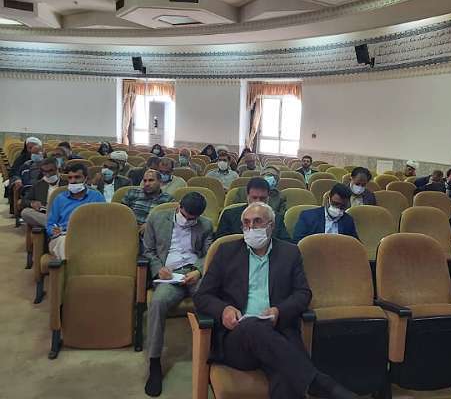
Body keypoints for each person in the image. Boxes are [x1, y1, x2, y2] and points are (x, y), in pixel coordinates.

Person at [193, 202, 357, 399]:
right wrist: (224, 310)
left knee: (286, 377)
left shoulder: (289, 253)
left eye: (257, 221)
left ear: (270, 225)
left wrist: (279, 310)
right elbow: (202, 296)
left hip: (279, 331)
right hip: (238, 338)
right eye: (246, 223)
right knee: (254, 326)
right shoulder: (226, 252)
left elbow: (303, 293)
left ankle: (316, 384)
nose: (251, 227)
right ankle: (321, 384)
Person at [143, 192, 213, 397]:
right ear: (178, 207)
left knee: (211, 300)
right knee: (158, 303)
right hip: (169, 273)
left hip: (193, 273)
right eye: (186, 216)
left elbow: (208, 253)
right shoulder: (156, 218)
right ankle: (154, 362)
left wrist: (198, 271)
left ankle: (215, 354)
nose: (189, 221)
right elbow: (148, 250)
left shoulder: (206, 224)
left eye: (193, 219)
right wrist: (159, 269)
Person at [46, 163, 106, 260]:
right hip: (63, 236)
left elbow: (103, 222)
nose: (73, 181)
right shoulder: (59, 198)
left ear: (86, 178)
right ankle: (69, 267)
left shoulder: (97, 196)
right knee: (64, 243)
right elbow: (50, 223)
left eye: (77, 177)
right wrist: (53, 230)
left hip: (88, 236)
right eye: (70, 178)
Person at [216, 177, 290, 241]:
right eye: (254, 198)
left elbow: (286, 243)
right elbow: (219, 243)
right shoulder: (229, 215)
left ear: (268, 198)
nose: (258, 201)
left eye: (262, 198)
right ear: (247, 197)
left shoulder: (277, 218)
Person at [293, 183, 358, 244]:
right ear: (328, 199)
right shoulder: (307, 217)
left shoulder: (348, 221)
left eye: (342, 206)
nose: (338, 208)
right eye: (335, 204)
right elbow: (298, 243)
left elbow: (355, 244)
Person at [21, 158, 67, 228]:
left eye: (50, 171)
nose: (47, 174)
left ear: (58, 169)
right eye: (44, 171)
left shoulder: (66, 183)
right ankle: (57, 225)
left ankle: (54, 225)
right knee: (25, 212)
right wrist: (32, 203)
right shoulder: (38, 184)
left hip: (63, 212)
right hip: (45, 213)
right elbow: (24, 200)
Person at [122, 169, 173, 234]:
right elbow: (121, 214)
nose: (147, 184)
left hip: (154, 233)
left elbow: (169, 222)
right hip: (130, 231)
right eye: (145, 181)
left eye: (151, 180)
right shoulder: (132, 193)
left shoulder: (168, 200)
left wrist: (150, 225)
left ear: (160, 182)